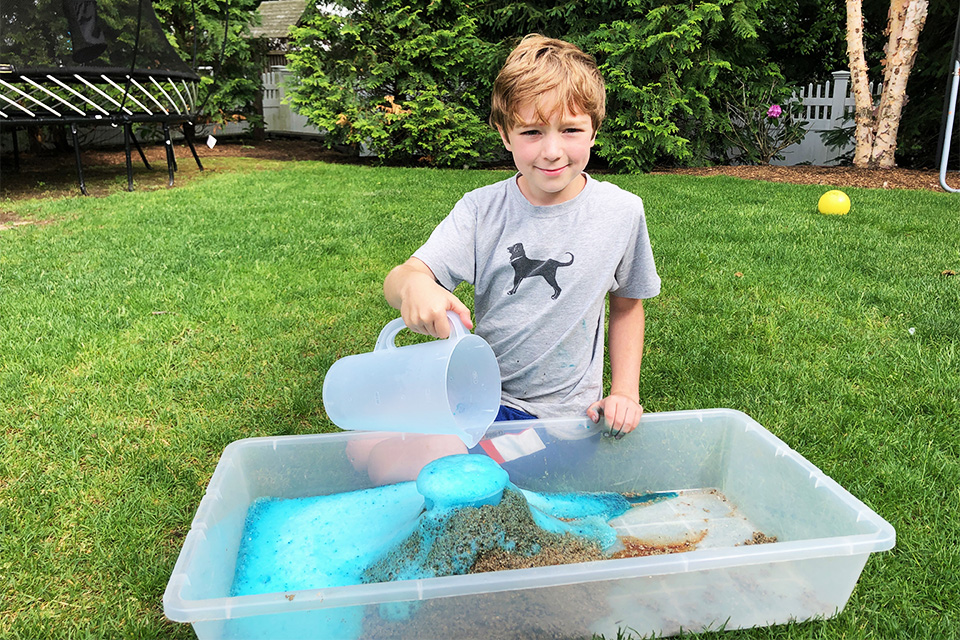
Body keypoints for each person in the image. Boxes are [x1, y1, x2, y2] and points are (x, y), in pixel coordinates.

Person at [353, 34, 661, 483]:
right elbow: (403, 276)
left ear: (594, 129)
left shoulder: (621, 213)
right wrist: (415, 287)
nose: (552, 151)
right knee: (361, 445)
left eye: (571, 130)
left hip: (554, 423)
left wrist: (625, 394)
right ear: (505, 134)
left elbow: (629, 303)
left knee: (398, 464)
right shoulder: (482, 210)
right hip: (475, 395)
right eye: (532, 132)